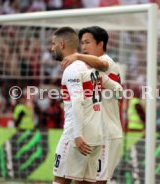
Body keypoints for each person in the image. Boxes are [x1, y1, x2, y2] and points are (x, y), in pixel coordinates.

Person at [51, 27, 122, 184]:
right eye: (82, 43)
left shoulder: (81, 67)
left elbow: (77, 102)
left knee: (60, 180)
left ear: (62, 45)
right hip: (96, 135)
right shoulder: (91, 67)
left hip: (83, 134)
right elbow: (118, 89)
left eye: (87, 42)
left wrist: (77, 134)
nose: (83, 47)